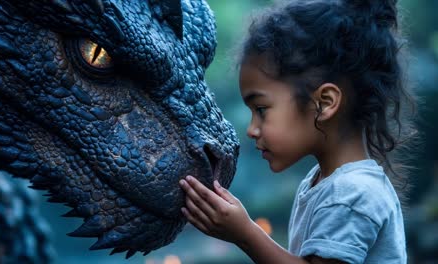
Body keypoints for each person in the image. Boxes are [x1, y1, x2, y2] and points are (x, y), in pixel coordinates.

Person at [179, 0, 418, 263]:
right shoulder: (322, 183)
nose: (251, 130)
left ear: (324, 103)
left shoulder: (352, 193)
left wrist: (245, 233)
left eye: (261, 109)